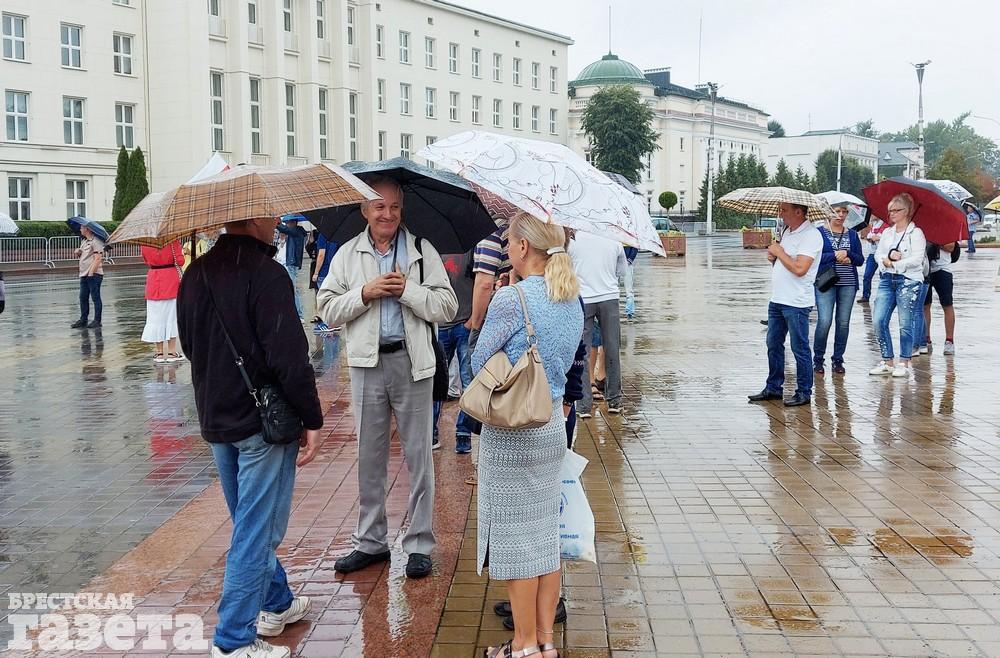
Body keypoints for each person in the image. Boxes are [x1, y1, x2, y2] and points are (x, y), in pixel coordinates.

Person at [177, 217, 324, 658]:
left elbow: (189, 345)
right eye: (272, 215)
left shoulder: (196, 272)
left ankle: (276, 602)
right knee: (257, 532)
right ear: (257, 218)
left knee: (249, 522)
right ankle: (233, 639)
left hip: (216, 415)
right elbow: (290, 359)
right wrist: (311, 418)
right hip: (263, 423)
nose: (276, 222)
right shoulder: (267, 274)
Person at [317, 175, 458, 579]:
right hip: (366, 365)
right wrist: (365, 293)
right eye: (379, 206)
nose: (388, 214)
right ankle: (371, 541)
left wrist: (408, 291)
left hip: (412, 364)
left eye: (395, 206)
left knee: (419, 457)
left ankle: (419, 544)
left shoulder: (421, 250)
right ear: (365, 210)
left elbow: (448, 307)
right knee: (369, 457)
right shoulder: (348, 253)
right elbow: (326, 309)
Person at [473, 212, 583, 658]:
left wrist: (505, 297)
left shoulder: (511, 299)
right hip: (552, 424)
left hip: (513, 431)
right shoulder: (570, 295)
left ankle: (521, 646)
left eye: (509, 242)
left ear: (522, 247)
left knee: (517, 543)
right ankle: (544, 642)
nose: (505, 249)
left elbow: (480, 360)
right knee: (544, 538)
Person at [748, 202, 824, 407]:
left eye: (784, 210)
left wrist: (780, 252)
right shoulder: (787, 232)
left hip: (796, 302)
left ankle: (804, 391)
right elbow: (784, 262)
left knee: (799, 347)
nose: (780, 213)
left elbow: (800, 269)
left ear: (798, 212)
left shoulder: (811, 235)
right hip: (778, 299)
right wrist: (774, 257)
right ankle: (774, 387)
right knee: (773, 344)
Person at [869, 193, 927, 378]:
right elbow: (878, 254)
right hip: (887, 279)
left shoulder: (916, 233)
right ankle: (887, 361)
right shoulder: (888, 232)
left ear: (907, 211)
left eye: (896, 210)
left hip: (909, 281)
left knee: (905, 323)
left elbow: (917, 259)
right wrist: (886, 259)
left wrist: (897, 263)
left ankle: (904, 361)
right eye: (890, 211)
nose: (892, 214)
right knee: (878, 320)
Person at [569, 231, 626, 416]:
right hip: (609, 296)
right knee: (612, 348)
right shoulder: (614, 239)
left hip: (582, 298)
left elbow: (567, 268)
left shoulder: (573, 241)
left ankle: (583, 404)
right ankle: (614, 400)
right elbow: (622, 271)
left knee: (582, 352)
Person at [433, 250, 476, 454]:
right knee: (436, 384)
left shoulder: (471, 248)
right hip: (440, 324)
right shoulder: (430, 249)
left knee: (468, 383)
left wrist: (473, 320)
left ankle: (463, 432)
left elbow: (482, 281)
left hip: (463, 323)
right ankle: (431, 433)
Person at [813, 206, 864, 375]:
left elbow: (860, 259)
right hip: (826, 282)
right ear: (828, 212)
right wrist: (834, 256)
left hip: (848, 283)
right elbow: (814, 257)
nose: (840, 215)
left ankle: (838, 359)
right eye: (836, 211)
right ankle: (818, 359)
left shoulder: (852, 234)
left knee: (843, 323)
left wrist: (848, 254)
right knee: (824, 321)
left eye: (844, 212)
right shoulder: (819, 233)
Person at [140, 240, 185, 364]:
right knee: (171, 317)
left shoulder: (145, 241)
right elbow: (180, 261)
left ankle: (159, 352)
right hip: (170, 279)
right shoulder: (172, 240)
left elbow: (145, 259)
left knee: (155, 317)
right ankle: (171, 352)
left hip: (153, 279)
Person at [923, 240, 958, 355]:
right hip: (924, 269)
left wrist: (935, 241)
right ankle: (926, 339)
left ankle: (949, 341)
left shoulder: (946, 229)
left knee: (947, 305)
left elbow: (950, 247)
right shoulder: (920, 230)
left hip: (943, 269)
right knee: (925, 306)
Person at [71, 226, 105, 329]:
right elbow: (84, 255)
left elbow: (98, 258)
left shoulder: (96, 241)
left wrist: (91, 273)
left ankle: (97, 321)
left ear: (88, 229)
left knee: (95, 297)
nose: (80, 229)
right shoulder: (84, 241)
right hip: (84, 274)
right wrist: (78, 252)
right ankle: (83, 319)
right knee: (83, 297)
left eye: (82, 228)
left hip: (93, 274)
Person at [276, 215, 308, 319]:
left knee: (292, 289)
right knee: (289, 288)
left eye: (288, 223)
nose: (287, 225)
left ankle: (299, 313)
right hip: (288, 263)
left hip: (291, 263)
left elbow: (284, 229)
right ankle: (295, 312)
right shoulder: (294, 233)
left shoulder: (296, 231)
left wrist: (277, 223)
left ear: (293, 222)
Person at [309, 231, 338, 332]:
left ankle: (327, 324)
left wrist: (316, 273)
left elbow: (321, 255)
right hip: (334, 272)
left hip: (323, 272)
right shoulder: (337, 236)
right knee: (333, 299)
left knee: (323, 300)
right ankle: (334, 322)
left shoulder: (323, 235)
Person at [858, 216, 887, 303]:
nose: (871, 216)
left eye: (873, 215)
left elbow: (887, 237)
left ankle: (881, 297)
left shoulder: (886, 224)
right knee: (867, 275)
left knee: (883, 277)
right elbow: (868, 235)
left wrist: (878, 238)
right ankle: (865, 295)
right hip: (872, 253)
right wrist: (869, 238)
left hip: (883, 254)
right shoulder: (873, 224)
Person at [623, 246, 639, 320]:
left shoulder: (631, 238)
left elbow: (635, 247)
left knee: (629, 289)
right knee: (613, 289)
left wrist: (629, 260)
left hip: (627, 264)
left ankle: (630, 312)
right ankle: (613, 310)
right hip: (615, 263)